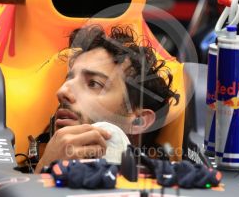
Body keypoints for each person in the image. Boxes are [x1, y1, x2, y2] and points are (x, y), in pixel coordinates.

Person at [34, 25, 179, 173]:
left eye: (93, 84)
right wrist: (44, 166)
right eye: (68, 80)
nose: (62, 91)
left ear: (138, 120)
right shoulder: (22, 165)